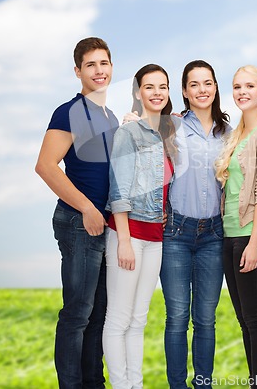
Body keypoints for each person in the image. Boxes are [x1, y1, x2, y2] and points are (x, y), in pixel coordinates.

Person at [35, 37, 119, 388]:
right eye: (91, 65)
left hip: (104, 223)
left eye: (104, 63)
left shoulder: (109, 116)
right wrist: (86, 207)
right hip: (78, 222)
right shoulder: (69, 112)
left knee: (98, 315)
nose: (99, 71)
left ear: (111, 67)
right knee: (77, 315)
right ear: (78, 71)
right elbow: (46, 166)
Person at [103, 64, 176, 389]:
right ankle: (121, 385)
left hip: (155, 236)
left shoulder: (167, 134)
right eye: (150, 87)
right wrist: (124, 241)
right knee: (118, 319)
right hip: (127, 233)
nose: (157, 92)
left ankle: (136, 384)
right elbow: (118, 188)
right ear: (137, 92)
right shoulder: (128, 133)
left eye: (163, 86)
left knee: (138, 319)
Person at [160, 60, 230, 389]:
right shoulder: (169, 127)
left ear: (215, 87)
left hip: (214, 235)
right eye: (194, 84)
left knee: (205, 319)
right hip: (175, 232)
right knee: (176, 318)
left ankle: (203, 384)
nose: (202, 90)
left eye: (208, 83)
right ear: (185, 92)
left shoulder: (230, 133)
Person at [215, 65, 257, 389]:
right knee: (244, 320)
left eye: (249, 86)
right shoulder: (237, 133)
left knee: (255, 319)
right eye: (237, 86)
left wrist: (254, 243)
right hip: (229, 236)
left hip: (252, 236)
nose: (242, 92)